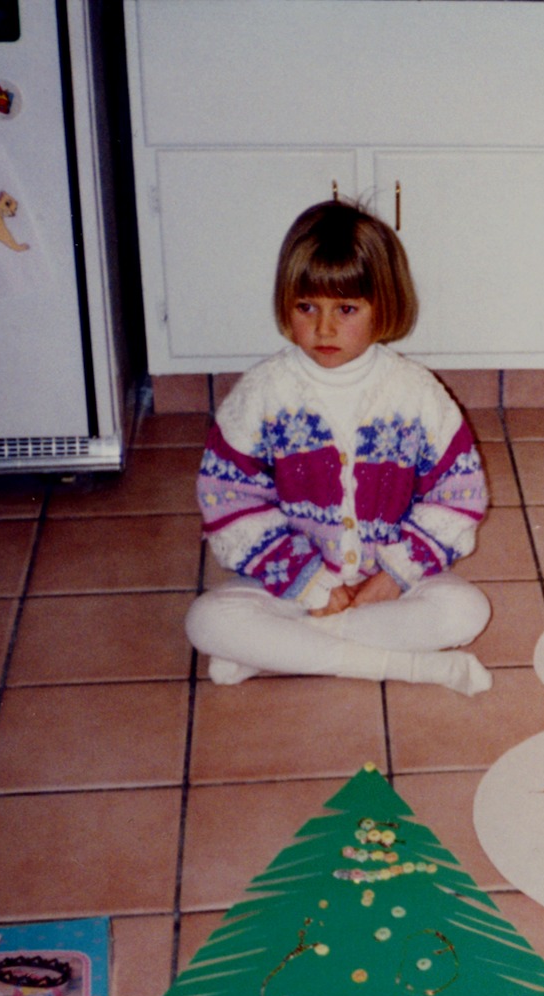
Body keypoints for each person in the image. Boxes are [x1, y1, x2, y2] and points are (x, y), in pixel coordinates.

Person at [186, 200, 492, 695]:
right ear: (285, 305)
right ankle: (414, 667)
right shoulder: (262, 394)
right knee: (207, 620)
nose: (324, 328)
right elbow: (231, 501)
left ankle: (276, 652)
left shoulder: (416, 394)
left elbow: (457, 497)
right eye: (306, 307)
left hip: (387, 587)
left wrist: (393, 575)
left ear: (383, 307)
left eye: (346, 309)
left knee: (466, 610)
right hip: (292, 586)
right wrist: (310, 584)